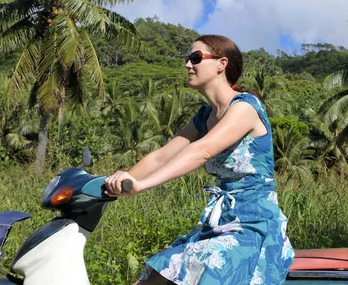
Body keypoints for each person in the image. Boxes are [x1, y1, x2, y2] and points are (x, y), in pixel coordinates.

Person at [104, 35, 295, 285]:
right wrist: (114, 185)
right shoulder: (204, 116)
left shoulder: (246, 107)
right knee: (153, 277)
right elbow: (161, 155)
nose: (187, 64)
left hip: (253, 225)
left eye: (195, 58)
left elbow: (202, 151)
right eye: (187, 58)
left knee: (200, 268)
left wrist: (142, 185)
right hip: (220, 222)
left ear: (221, 64)